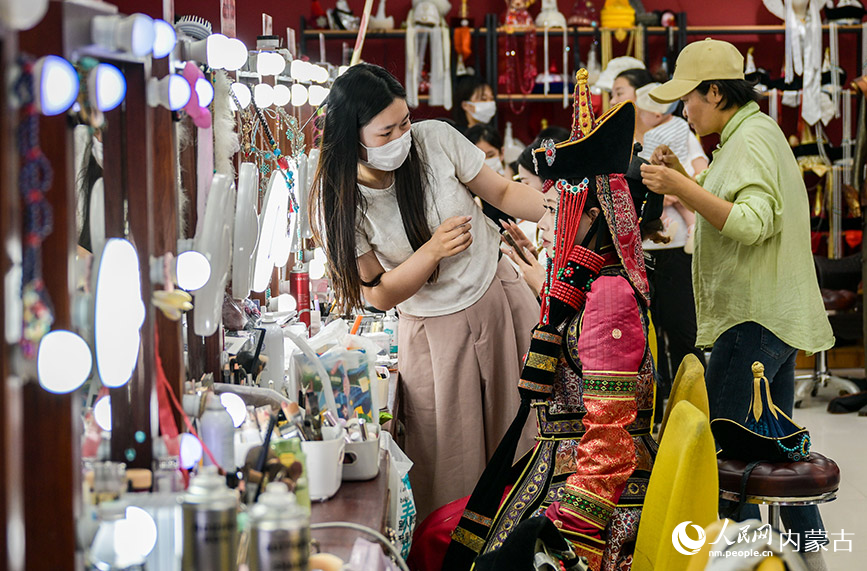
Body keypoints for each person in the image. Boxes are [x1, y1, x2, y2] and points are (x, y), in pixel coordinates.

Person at [309, 63, 545, 520]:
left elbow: (502, 192)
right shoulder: (338, 200)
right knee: (452, 467)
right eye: (385, 131)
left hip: (499, 297)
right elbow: (377, 294)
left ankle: (522, 547)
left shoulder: (435, 138)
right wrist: (432, 251)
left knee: (524, 443)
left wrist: (571, 208)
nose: (402, 136)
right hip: (434, 333)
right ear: (349, 135)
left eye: (405, 122)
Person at [640, 38, 834, 571]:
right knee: (774, 453)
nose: (685, 110)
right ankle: (813, 561)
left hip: (754, 321)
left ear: (717, 92)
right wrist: (688, 176)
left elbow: (750, 223)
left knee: (729, 466)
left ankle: (732, 561)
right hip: (767, 316)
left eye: (690, 99)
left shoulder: (747, 140)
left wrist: (680, 185)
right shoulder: (749, 133)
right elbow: (735, 198)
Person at [634, 82, 709, 420]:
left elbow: (696, 179)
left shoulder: (679, 133)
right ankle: (655, 413)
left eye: (622, 91)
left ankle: (695, 409)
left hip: (676, 247)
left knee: (683, 331)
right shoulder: (624, 138)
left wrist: (674, 192)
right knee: (647, 337)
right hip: (637, 249)